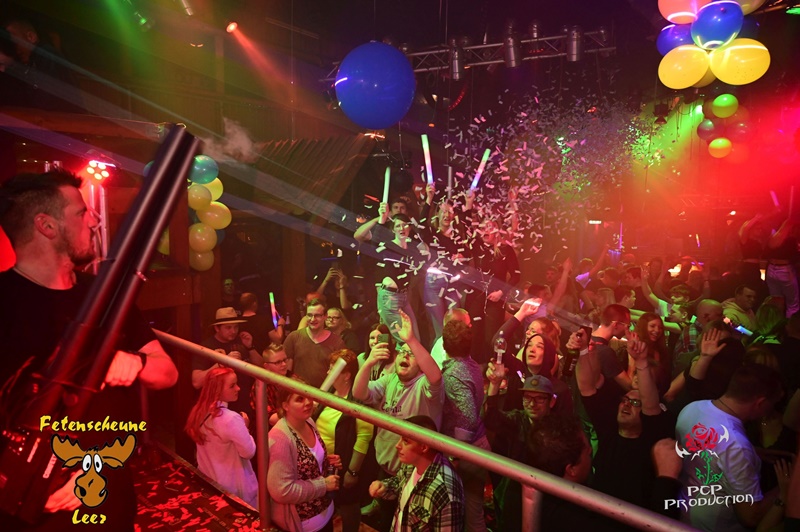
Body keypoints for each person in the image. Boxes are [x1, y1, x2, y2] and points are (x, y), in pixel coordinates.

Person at [0, 170, 178, 530]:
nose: (95, 221)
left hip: (112, 499)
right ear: (46, 226)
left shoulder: (106, 296)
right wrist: (17, 480)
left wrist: (136, 361)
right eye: (82, 213)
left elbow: (168, 373)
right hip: (29, 513)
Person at [675, 363, 785, 531]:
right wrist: (785, 489)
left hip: (685, 512)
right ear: (761, 403)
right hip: (716, 526)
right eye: (773, 403)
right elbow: (750, 516)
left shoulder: (692, 408)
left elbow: (703, 450)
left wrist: (753, 452)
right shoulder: (736, 445)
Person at [573, 328, 673, 507]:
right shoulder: (610, 425)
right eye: (625, 400)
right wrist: (583, 350)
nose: (626, 404)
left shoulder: (654, 432)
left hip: (634, 517)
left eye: (635, 403)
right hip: (598, 512)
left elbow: (650, 406)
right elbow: (587, 387)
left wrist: (641, 361)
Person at [267, 376, 342, 532]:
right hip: (306, 524)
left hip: (326, 512)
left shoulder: (308, 421)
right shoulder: (280, 437)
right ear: (285, 406)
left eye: (308, 395)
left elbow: (305, 463)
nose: (308, 402)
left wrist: (325, 460)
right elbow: (281, 491)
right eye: (300, 399)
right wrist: (324, 485)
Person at [368, 415, 465, 532]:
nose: (397, 445)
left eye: (406, 441)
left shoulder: (445, 491)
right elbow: (400, 482)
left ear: (423, 447)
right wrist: (385, 487)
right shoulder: (412, 463)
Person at [313, 350, 375, 532]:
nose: (327, 372)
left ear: (347, 375)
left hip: (344, 463)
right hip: (323, 464)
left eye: (333, 369)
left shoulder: (358, 401)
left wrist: (352, 472)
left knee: (348, 504)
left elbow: (364, 438)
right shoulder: (328, 393)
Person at [439, 320, 489, 532]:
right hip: (479, 446)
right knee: (474, 514)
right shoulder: (473, 365)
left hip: (466, 453)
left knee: (453, 516)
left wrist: (455, 456)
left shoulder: (453, 375)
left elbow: (467, 418)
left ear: (444, 345)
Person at [185, 367, 257, 508]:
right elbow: (249, 452)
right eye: (232, 386)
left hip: (209, 484)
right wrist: (245, 427)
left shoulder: (198, 411)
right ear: (217, 390)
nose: (238, 388)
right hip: (235, 492)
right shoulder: (231, 419)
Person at [192, 307, 261, 418]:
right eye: (228, 327)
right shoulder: (206, 347)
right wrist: (222, 362)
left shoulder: (241, 340)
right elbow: (196, 382)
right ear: (217, 328)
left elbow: (262, 368)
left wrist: (250, 347)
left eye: (236, 327)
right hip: (221, 411)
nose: (233, 331)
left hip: (245, 404)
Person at [284, 298, 346, 387]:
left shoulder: (337, 342)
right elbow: (286, 371)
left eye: (317, 315)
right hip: (298, 392)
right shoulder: (294, 337)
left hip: (323, 394)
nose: (313, 319)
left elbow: (340, 375)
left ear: (325, 316)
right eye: (309, 315)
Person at [250, 343, 290, 428]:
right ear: (267, 366)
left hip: (290, 427)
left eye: (285, 360)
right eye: (278, 362)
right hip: (269, 432)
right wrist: (297, 412)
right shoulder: (261, 386)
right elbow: (272, 419)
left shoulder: (292, 377)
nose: (284, 364)